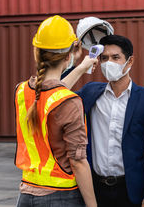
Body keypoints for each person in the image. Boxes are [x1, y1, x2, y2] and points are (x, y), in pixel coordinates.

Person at [62, 34, 144, 207]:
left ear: (130, 61)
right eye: (104, 58)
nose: (108, 63)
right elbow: (57, 95)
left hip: (131, 190)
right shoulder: (90, 92)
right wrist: (77, 62)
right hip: (94, 189)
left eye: (115, 57)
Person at [14, 15, 98, 207]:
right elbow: (78, 162)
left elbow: (49, 94)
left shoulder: (21, 91)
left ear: (37, 53)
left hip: (26, 195)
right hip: (61, 197)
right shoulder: (70, 102)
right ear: (68, 56)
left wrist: (80, 68)